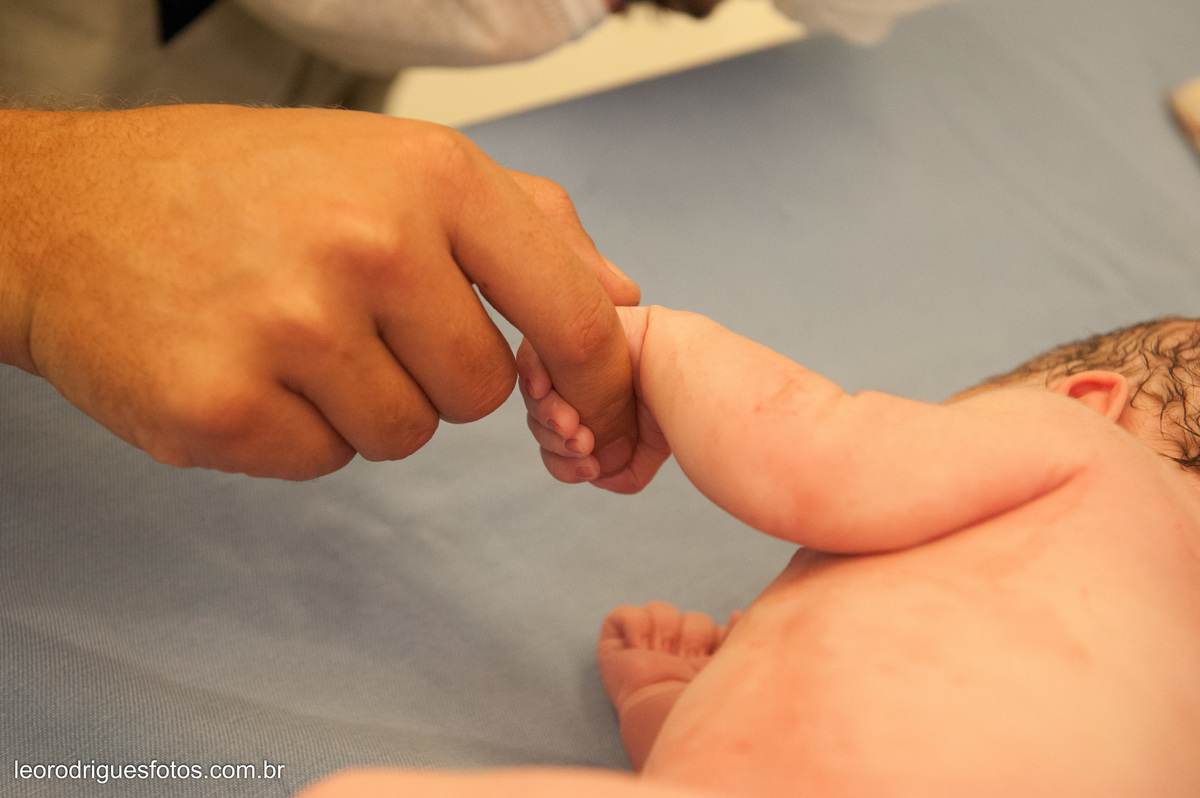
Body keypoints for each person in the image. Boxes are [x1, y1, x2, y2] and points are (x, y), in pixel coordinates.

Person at [299, 310, 1200, 795]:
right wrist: (669, 710)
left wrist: (658, 345)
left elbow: (816, 456)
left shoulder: (1077, 447)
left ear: (1089, 400)